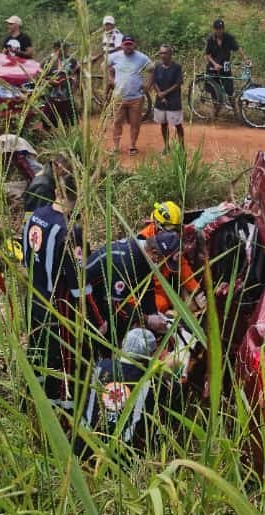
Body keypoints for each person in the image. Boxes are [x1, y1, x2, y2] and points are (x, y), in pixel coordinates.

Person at [22, 169, 86, 418]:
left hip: (33, 296)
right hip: (55, 305)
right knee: (56, 359)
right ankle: (54, 413)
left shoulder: (35, 216)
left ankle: (29, 398)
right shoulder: (70, 230)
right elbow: (78, 282)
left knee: (35, 349)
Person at [77, 328, 184, 456]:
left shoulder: (99, 366)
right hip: (123, 457)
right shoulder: (153, 381)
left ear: (123, 346)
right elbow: (177, 397)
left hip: (83, 448)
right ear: (152, 354)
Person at [84, 232, 180, 344]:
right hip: (86, 296)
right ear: (154, 253)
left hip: (106, 295)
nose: (161, 266)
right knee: (106, 329)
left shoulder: (144, 255)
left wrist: (153, 313)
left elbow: (147, 288)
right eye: (161, 262)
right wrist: (146, 319)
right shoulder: (125, 262)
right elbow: (113, 306)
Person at [139, 201, 205, 313]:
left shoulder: (173, 237)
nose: (174, 235)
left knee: (192, 305)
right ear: (157, 224)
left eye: (176, 230)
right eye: (170, 230)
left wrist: (196, 291)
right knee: (162, 304)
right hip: (153, 287)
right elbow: (152, 281)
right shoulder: (144, 242)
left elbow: (182, 264)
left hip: (169, 279)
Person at [108, 36, 153, 156]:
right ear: (122, 45)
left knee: (135, 123)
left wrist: (148, 85)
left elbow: (152, 69)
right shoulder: (115, 56)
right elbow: (105, 65)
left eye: (130, 44)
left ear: (134, 45)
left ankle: (132, 146)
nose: (128, 46)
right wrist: (110, 78)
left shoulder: (141, 57)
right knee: (117, 123)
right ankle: (116, 147)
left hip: (136, 98)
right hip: (119, 97)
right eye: (126, 44)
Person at [204, 18, 249, 114]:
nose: (219, 31)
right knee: (214, 91)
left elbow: (238, 48)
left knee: (230, 91)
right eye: (217, 29)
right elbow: (207, 55)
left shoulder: (229, 38)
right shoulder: (210, 40)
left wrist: (245, 58)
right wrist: (215, 64)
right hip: (213, 68)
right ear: (214, 29)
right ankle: (216, 112)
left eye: (221, 28)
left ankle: (235, 111)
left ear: (223, 29)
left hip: (225, 67)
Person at [152, 43, 184, 152]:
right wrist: (160, 94)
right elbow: (154, 81)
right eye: (161, 53)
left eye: (165, 53)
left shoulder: (177, 67)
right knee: (163, 124)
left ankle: (181, 147)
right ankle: (166, 146)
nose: (162, 55)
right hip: (161, 100)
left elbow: (178, 84)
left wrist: (164, 93)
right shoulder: (157, 66)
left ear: (171, 54)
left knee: (177, 125)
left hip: (173, 100)